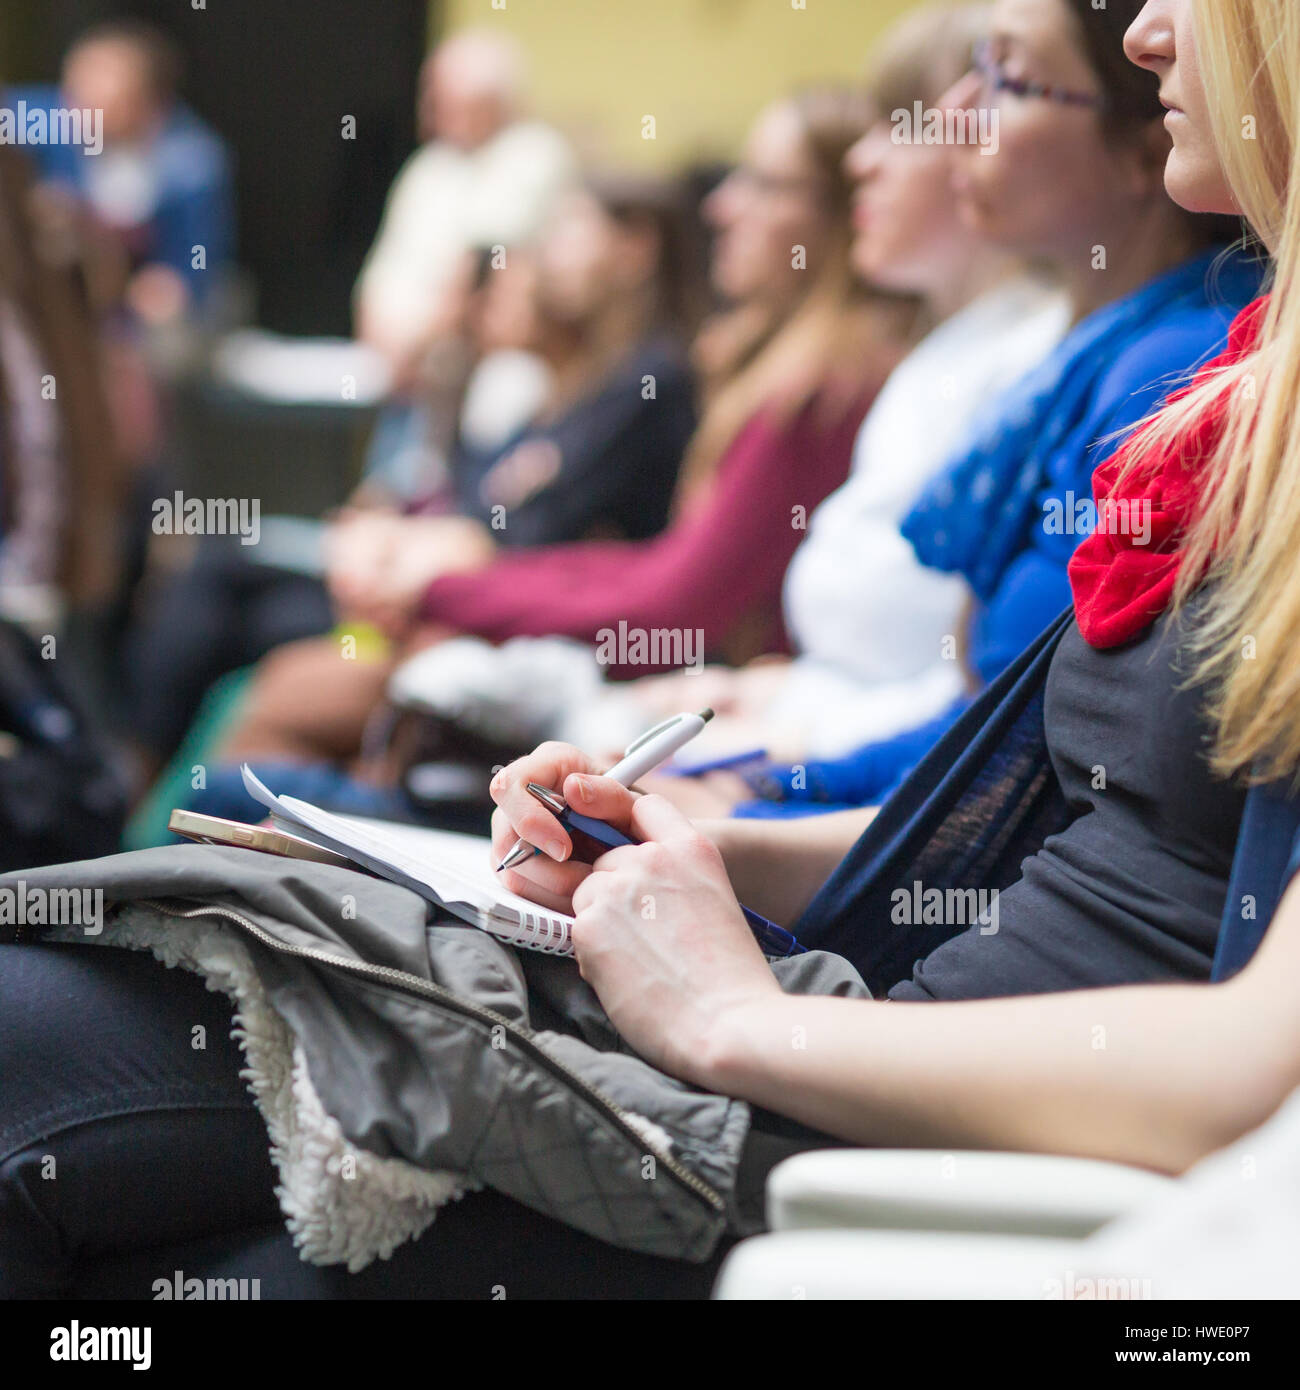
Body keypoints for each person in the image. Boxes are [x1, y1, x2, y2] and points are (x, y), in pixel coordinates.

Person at [11, 0, 1295, 1302]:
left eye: (1007, 83)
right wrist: (684, 840)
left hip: (862, 1100)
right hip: (842, 1019)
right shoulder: (1215, 388)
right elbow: (1033, 830)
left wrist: (740, 995)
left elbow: (1247, 1056)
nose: (1149, 33)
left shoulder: (1084, 374)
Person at [208, 85, 910, 790]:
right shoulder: (742, 369)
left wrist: (445, 584)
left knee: (274, 723)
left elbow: (668, 602)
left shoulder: (790, 385)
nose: (723, 205)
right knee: (275, 676)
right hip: (638, 675)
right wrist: (442, 572)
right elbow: (640, 563)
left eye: (765, 183)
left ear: (844, 210)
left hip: (686, 712)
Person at [125, 176, 703, 769]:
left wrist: (420, 581)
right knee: (232, 611)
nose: (551, 254)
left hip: (517, 641)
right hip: (461, 610)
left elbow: (523, 537)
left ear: (636, 248)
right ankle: (138, 788)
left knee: (264, 677)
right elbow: (491, 513)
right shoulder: (588, 380)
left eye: (571, 232)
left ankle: (137, 789)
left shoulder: (648, 380)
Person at [355, 29, 576, 395]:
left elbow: (483, 271)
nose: (427, 109)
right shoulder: (428, 168)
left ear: (491, 102)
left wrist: (411, 351)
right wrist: (386, 354)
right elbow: (379, 278)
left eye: (441, 98)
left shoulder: (534, 155)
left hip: (480, 379)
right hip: (399, 380)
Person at [8, 20, 234, 326]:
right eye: (76, 95)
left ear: (151, 104)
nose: (82, 116)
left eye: (107, 105)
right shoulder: (38, 120)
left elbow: (196, 259)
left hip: (131, 319)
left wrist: (172, 287)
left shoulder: (191, 164)